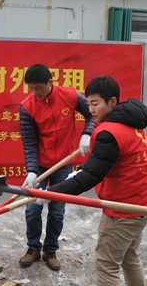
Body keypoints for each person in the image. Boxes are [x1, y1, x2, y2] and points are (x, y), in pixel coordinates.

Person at [47, 76, 147, 286]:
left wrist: (51, 193)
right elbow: (108, 164)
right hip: (142, 204)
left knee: (106, 265)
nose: (91, 109)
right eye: (89, 103)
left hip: (122, 210)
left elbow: (93, 176)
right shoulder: (133, 123)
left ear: (112, 102)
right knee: (130, 257)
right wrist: (82, 170)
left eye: (95, 104)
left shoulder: (110, 131)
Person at [19, 64, 96, 271]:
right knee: (33, 208)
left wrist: (87, 133)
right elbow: (29, 141)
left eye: (38, 88)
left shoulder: (70, 96)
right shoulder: (27, 106)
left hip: (64, 162)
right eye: (31, 88)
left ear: (50, 83)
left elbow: (92, 113)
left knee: (57, 209)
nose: (35, 92)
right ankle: (33, 248)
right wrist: (32, 170)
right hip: (41, 166)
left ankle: (50, 250)